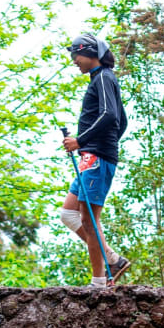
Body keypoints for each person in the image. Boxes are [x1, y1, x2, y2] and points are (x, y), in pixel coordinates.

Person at [60, 33, 130, 289]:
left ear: (89, 53)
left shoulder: (103, 77)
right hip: (93, 157)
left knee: (89, 219)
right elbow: (121, 121)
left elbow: (110, 116)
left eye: (75, 55)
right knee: (69, 214)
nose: (74, 61)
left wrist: (83, 141)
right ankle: (112, 259)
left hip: (97, 158)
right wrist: (95, 145)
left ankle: (99, 282)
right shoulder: (102, 80)